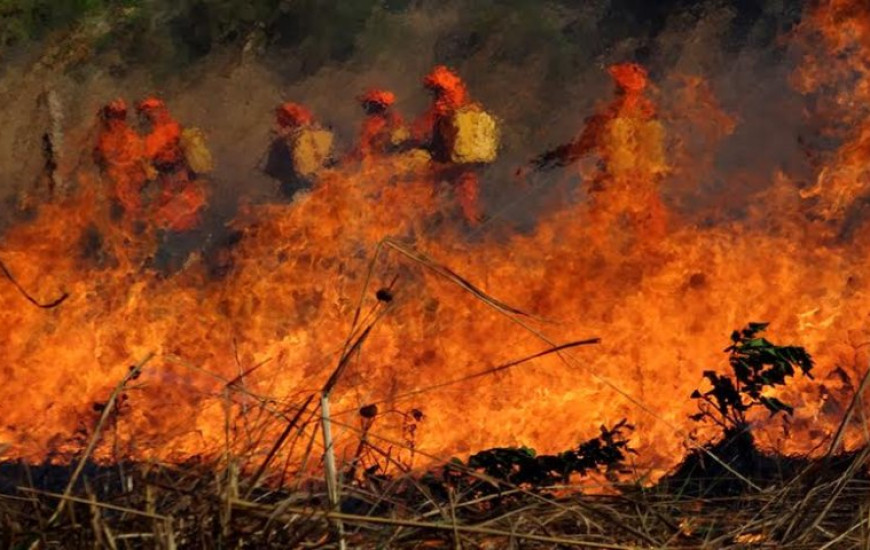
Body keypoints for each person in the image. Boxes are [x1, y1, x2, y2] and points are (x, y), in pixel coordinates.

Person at [530, 63, 668, 238]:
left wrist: (544, 161)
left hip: (614, 185)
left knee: (596, 237)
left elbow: (576, 151)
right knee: (651, 240)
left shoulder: (607, 118)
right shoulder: (650, 117)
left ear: (618, 87)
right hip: (642, 186)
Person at [413, 65, 499, 225]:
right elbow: (422, 140)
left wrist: (436, 171)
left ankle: (471, 223)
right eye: (436, 94)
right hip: (441, 189)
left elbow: (469, 165)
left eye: (441, 94)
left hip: (460, 188)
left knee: (465, 194)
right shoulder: (438, 119)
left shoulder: (471, 120)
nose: (438, 100)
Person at [137, 97, 205, 233]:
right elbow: (150, 169)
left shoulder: (176, 129)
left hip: (185, 183)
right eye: (148, 111)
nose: (152, 114)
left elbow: (194, 159)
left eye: (155, 110)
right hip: (167, 187)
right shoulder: (147, 142)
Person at [93, 98, 148, 221]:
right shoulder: (103, 139)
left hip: (129, 189)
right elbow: (99, 162)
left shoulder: (132, 138)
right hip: (110, 190)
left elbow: (137, 164)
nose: (115, 121)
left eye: (119, 117)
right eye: (112, 116)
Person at [264, 101, 334, 197]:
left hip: (304, 190)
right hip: (321, 188)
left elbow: (272, 170)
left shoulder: (283, 144)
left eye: (279, 122)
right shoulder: (322, 136)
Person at [351, 89, 407, 161]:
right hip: (377, 159)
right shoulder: (369, 124)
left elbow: (401, 137)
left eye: (369, 105)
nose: (366, 107)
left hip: (387, 157)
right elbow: (364, 146)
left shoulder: (393, 119)